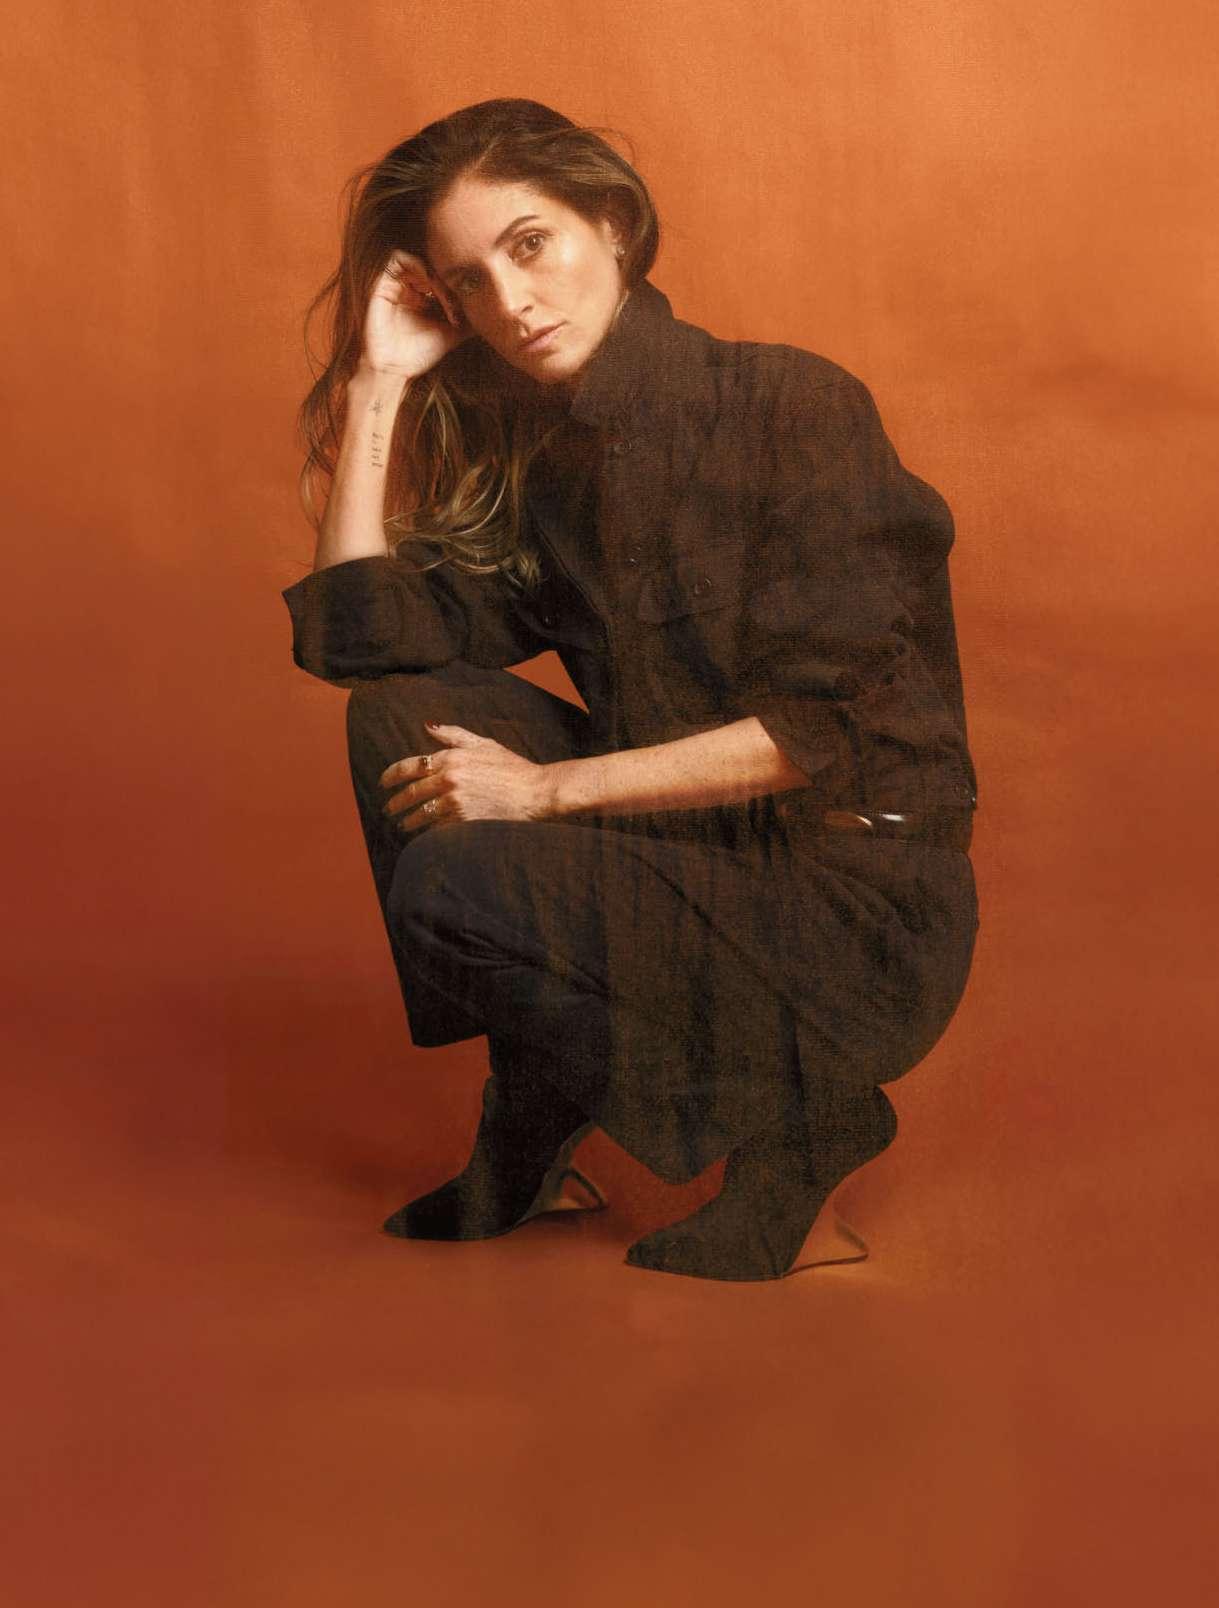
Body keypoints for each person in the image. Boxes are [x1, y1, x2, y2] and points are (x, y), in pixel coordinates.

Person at [280, 98, 980, 1282]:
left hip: (851, 905)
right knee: (399, 715)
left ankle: (795, 1126)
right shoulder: (551, 466)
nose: (511, 303)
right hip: (687, 858)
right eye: (469, 282)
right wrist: (377, 384)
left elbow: (822, 732)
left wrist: (543, 794)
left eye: (530, 245)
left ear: (609, 222)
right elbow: (363, 641)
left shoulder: (790, 403)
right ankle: (541, 1119)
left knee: (453, 879)